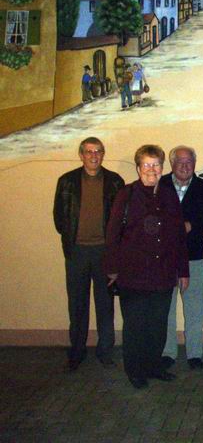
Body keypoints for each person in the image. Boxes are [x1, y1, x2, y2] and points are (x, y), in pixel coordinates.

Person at [104, 145, 189, 389]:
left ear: (162, 167)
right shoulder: (126, 195)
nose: (152, 169)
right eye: (147, 164)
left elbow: (178, 237)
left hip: (163, 274)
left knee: (158, 325)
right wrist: (112, 269)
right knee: (136, 326)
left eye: (156, 165)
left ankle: (153, 366)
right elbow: (112, 234)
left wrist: (183, 270)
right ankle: (135, 370)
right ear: (138, 167)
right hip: (134, 275)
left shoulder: (169, 195)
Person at [53, 137, 124, 371]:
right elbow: (59, 218)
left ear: (103, 154)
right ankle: (76, 352)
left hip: (104, 252)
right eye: (89, 151)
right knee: (77, 305)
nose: (94, 156)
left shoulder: (115, 181)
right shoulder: (67, 182)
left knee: (105, 305)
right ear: (81, 154)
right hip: (77, 252)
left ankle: (105, 351)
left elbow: (121, 219)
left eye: (98, 151)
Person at [160, 146, 203, 371]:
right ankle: (168, 352)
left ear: (195, 163)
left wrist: (192, 224)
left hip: (194, 256)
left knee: (195, 309)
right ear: (171, 164)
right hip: (164, 258)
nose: (185, 166)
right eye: (180, 162)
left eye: (189, 162)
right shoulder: (161, 185)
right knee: (166, 308)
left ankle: (194, 353)